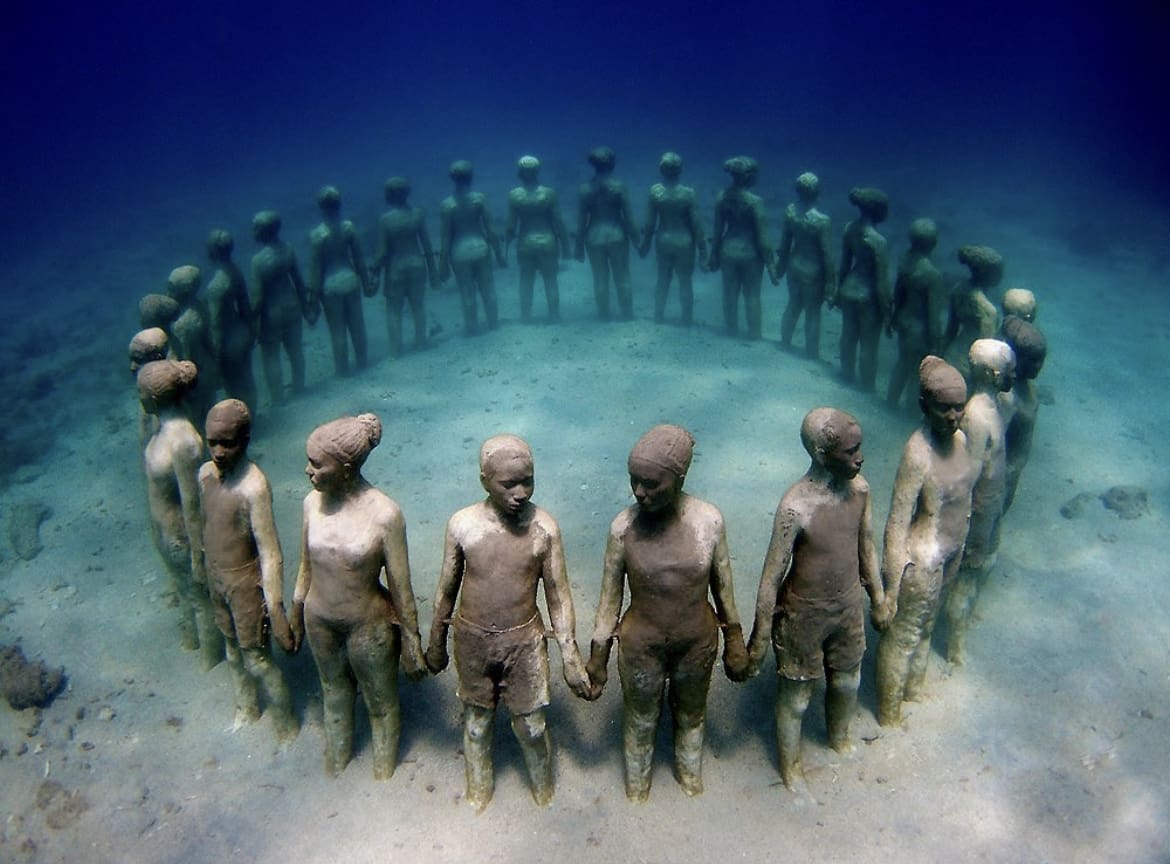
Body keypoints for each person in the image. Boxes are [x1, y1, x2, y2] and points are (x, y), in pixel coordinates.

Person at [586, 425, 749, 801]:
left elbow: (724, 587)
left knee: (692, 714)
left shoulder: (707, 521)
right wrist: (598, 659)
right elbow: (609, 600)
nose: (640, 492)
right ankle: (637, 789)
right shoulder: (623, 528)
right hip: (641, 644)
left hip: (697, 640)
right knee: (641, 719)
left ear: (679, 478)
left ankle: (690, 779)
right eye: (634, 481)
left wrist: (735, 641)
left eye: (651, 483)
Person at [426, 435, 589, 810]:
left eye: (527, 481)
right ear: (484, 480)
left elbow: (558, 596)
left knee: (531, 727)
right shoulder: (462, 525)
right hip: (472, 639)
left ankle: (544, 794)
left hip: (525, 642)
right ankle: (477, 794)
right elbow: (446, 589)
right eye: (507, 484)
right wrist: (436, 639)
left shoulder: (544, 528)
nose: (519, 493)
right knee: (476, 724)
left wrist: (569, 656)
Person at [745, 408, 883, 793]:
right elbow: (772, 573)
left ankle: (840, 739)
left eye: (860, 448)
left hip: (848, 605)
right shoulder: (796, 506)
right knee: (797, 694)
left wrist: (879, 595)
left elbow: (866, 547)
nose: (860, 458)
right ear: (822, 455)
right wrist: (761, 636)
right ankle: (792, 770)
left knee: (847, 680)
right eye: (850, 451)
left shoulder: (860, 491)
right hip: (803, 613)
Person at [291, 413, 426, 779]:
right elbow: (305, 567)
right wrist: (294, 613)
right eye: (309, 462)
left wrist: (412, 644)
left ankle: (383, 777)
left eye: (317, 465)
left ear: (346, 467)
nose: (308, 471)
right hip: (320, 620)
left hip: (370, 626)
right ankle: (335, 768)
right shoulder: (310, 504)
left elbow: (401, 587)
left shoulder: (384, 514)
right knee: (333, 695)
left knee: (380, 704)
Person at [874, 357, 978, 726]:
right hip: (923, 560)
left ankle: (914, 693)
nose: (953, 416)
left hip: (951, 552)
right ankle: (889, 715)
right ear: (923, 406)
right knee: (904, 637)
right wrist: (891, 587)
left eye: (959, 407)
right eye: (943, 408)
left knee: (927, 629)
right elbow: (897, 521)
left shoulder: (962, 440)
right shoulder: (918, 452)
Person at [198, 399, 297, 741]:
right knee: (231, 651)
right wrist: (201, 568)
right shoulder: (205, 475)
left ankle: (285, 725)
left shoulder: (254, 486)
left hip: (244, 581)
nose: (219, 451)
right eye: (212, 442)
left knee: (257, 657)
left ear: (246, 440)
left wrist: (276, 607)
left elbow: (270, 552)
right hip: (217, 576)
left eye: (228, 442)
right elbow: (204, 526)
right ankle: (246, 708)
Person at [138, 359, 223, 669]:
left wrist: (199, 555)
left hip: (180, 535)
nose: (140, 399)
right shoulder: (161, 430)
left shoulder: (183, 439)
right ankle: (193, 643)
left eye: (142, 392)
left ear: (155, 397)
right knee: (186, 594)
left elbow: (192, 500)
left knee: (200, 599)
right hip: (166, 533)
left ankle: (210, 661)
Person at [943, 338, 1015, 665]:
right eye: (1010, 370)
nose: (1015, 375)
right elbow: (969, 471)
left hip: (992, 504)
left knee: (986, 561)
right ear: (994, 373)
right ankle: (954, 643)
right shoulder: (975, 416)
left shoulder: (994, 406)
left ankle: (962, 621)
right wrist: (966, 518)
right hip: (981, 508)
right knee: (970, 571)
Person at [250, 210, 316, 406]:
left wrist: (252, 324)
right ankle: (299, 388)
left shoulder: (258, 261)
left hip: (271, 315)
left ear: (264, 231)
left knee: (271, 357)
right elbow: (298, 281)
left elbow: (257, 299)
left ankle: (278, 399)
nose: (253, 230)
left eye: (256, 227)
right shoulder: (288, 249)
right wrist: (306, 309)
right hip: (292, 307)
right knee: (295, 350)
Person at [308, 186, 371, 376]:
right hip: (350, 280)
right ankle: (363, 362)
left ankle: (342, 370)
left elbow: (316, 270)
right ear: (339, 204)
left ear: (321, 207)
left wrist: (313, 301)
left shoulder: (317, 235)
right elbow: (359, 260)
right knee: (357, 326)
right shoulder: (348, 228)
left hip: (330, 286)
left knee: (337, 331)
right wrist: (366, 283)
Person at [373, 176, 439, 356]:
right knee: (418, 305)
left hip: (396, 269)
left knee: (394, 310)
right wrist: (433, 272)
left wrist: (375, 273)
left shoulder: (385, 220)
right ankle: (421, 342)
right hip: (417, 265)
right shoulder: (418, 214)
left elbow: (381, 253)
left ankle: (396, 350)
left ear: (390, 195)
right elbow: (427, 246)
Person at [833, 187, 891, 391]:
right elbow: (881, 282)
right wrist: (887, 312)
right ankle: (866, 387)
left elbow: (844, 265)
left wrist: (837, 292)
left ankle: (846, 376)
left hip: (849, 288)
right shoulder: (879, 241)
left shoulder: (849, 228)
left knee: (848, 337)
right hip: (868, 296)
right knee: (869, 345)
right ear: (878, 211)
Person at [886, 218, 948, 409]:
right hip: (920, 331)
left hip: (904, 322)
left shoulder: (905, 262)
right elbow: (933, 313)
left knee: (902, 364)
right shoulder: (932, 275)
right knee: (917, 373)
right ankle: (910, 410)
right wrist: (937, 343)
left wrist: (892, 317)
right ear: (933, 243)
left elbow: (897, 293)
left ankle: (890, 402)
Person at [638, 152, 706, 325]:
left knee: (663, 279)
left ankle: (658, 316)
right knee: (685, 281)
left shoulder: (655, 192)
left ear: (661, 169)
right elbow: (697, 224)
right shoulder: (688, 194)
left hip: (664, 241)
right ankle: (687, 319)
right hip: (685, 242)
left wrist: (645, 245)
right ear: (680, 170)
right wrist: (703, 251)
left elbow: (649, 223)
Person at [439, 160, 505, 335]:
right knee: (488, 289)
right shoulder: (479, 199)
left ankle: (472, 329)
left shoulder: (447, 205)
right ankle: (494, 324)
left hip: (459, 253)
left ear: (452, 178)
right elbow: (491, 230)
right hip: (480, 248)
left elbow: (445, 238)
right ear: (471, 177)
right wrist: (499, 255)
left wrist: (442, 264)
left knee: (467, 293)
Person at [773, 172, 834, 358]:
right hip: (813, 271)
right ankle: (811, 353)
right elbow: (826, 254)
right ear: (817, 192)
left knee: (793, 305)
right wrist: (831, 284)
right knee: (813, 313)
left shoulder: (790, 212)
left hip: (794, 266)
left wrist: (780, 268)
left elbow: (784, 243)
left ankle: (784, 342)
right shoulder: (822, 221)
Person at [709, 156, 771, 339]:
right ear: (748, 176)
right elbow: (763, 238)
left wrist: (713, 255)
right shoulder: (755, 202)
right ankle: (754, 334)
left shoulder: (722, 197)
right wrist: (771, 265)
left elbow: (717, 231)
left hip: (728, 250)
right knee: (752, 295)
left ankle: (731, 330)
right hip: (750, 254)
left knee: (729, 293)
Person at [575, 147, 639, 320]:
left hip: (594, 237)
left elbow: (581, 222)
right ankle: (627, 315)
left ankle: (603, 315)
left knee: (600, 278)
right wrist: (637, 241)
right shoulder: (620, 187)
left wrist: (578, 246)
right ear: (611, 163)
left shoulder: (584, 190)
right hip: (617, 235)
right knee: (623, 277)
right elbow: (629, 218)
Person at [505, 155, 570, 323]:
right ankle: (554, 315)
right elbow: (558, 222)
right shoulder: (549, 194)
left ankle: (526, 316)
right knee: (550, 280)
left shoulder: (514, 196)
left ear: (520, 172)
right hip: (548, 242)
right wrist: (566, 247)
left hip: (525, 244)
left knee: (526, 280)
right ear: (537, 171)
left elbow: (511, 227)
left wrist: (503, 249)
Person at [205, 229, 257, 409]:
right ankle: (253, 416)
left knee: (233, 386)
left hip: (228, 342)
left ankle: (243, 424)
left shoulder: (215, 287)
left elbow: (215, 327)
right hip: (241, 332)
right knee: (248, 379)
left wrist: (217, 360)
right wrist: (251, 332)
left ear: (213, 251)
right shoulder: (236, 271)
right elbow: (245, 306)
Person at [999, 316, 1047, 512]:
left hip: (1013, 467)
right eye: (1034, 360)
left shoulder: (1027, 390)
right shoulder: (1006, 398)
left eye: (1042, 359)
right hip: (1002, 469)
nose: (1039, 366)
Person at [166, 265, 220, 424]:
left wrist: (185, 385)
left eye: (171, 287)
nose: (167, 290)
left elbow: (186, 357)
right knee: (210, 411)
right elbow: (210, 341)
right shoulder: (201, 307)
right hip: (208, 368)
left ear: (183, 290)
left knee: (195, 418)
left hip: (196, 376)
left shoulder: (181, 323)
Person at [943, 244, 1002, 379]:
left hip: (952, 356)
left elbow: (950, 331)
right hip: (970, 365)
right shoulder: (988, 311)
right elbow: (986, 351)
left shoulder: (958, 289)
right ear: (989, 274)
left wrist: (941, 356)